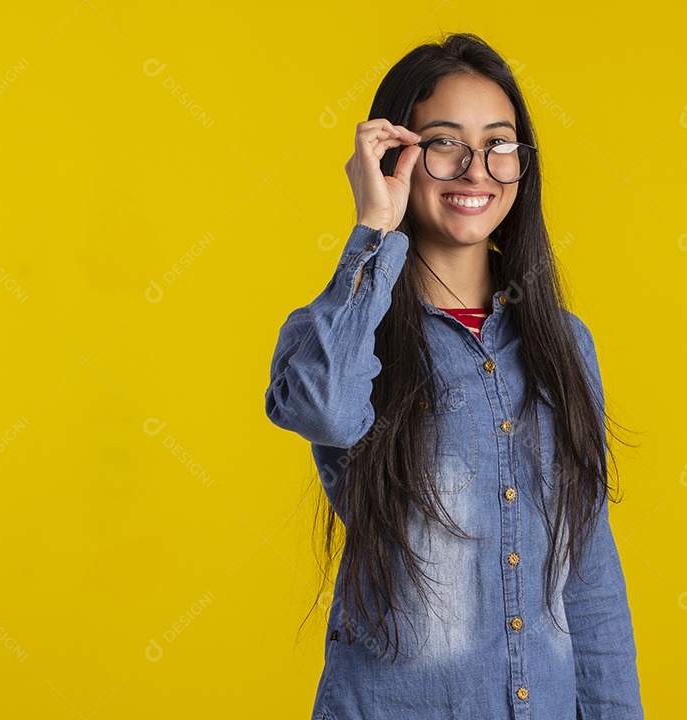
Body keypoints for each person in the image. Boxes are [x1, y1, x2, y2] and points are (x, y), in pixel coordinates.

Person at [265, 32, 644, 719]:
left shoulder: (564, 345)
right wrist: (374, 229)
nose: (478, 170)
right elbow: (321, 408)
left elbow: (587, 577)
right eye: (445, 143)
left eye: (501, 145)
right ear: (396, 157)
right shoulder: (343, 331)